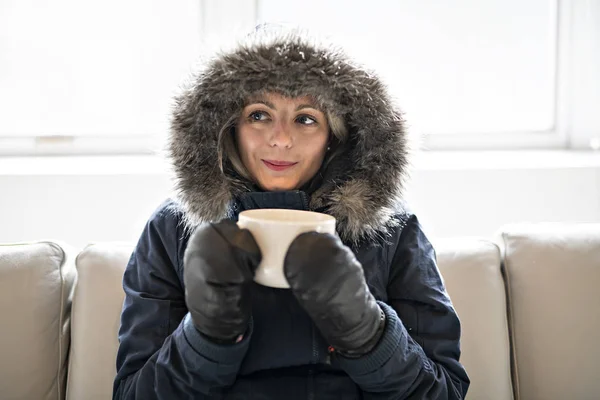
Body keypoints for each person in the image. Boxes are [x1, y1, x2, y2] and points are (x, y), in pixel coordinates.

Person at [113, 25, 470, 399]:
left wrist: (368, 331)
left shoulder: (392, 229)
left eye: (305, 119)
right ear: (228, 126)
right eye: (259, 115)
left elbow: (444, 392)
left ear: (334, 135)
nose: (281, 138)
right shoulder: (172, 228)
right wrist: (205, 334)